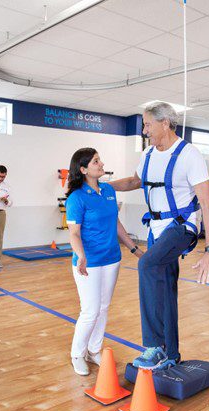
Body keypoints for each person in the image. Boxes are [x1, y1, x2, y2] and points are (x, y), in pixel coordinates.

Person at [110, 101, 209, 371]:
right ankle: (171, 352)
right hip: (156, 229)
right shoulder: (147, 154)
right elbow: (135, 181)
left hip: (182, 227)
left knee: (147, 265)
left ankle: (154, 346)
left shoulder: (189, 155)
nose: (144, 130)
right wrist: (103, 186)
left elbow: (207, 202)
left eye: (147, 124)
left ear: (165, 123)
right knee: (165, 288)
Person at [65, 148, 142, 376]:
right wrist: (81, 255)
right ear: (83, 169)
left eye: (100, 159)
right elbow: (74, 233)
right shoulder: (76, 197)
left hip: (111, 259)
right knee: (89, 310)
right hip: (88, 261)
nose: (101, 164)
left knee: (104, 307)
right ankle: (77, 354)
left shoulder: (108, 190)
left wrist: (134, 248)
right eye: (96, 161)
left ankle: (94, 349)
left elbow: (115, 223)